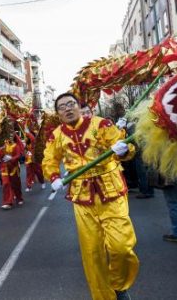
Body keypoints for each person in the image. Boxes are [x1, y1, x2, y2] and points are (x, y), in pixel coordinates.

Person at [43, 93, 139, 300]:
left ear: (79, 106)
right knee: (93, 253)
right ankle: (104, 297)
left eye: (71, 104)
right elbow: (49, 159)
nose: (67, 109)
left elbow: (125, 147)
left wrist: (122, 150)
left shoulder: (101, 124)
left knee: (121, 247)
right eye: (62, 107)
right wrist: (53, 177)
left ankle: (119, 285)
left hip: (111, 192)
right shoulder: (56, 135)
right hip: (82, 197)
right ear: (58, 114)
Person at [0, 133, 24, 209]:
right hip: (4, 168)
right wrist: (0, 156)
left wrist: (11, 158)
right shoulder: (2, 146)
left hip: (13, 168)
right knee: (6, 184)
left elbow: (18, 155)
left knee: (16, 184)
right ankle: (7, 202)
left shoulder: (16, 146)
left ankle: (19, 197)